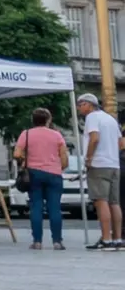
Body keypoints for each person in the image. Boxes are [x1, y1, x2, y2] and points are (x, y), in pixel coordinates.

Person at [14, 107, 67, 250]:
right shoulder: (57, 135)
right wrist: (58, 167)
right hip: (54, 174)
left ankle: (37, 241)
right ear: (48, 120)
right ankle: (57, 241)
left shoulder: (26, 134)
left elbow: (17, 154)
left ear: (33, 120)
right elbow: (64, 157)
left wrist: (25, 161)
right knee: (54, 208)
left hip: (34, 174)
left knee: (36, 206)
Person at [77, 93, 121, 250]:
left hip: (99, 164)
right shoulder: (110, 119)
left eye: (81, 104)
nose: (79, 107)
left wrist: (88, 159)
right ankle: (117, 238)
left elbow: (94, 138)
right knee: (114, 202)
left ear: (89, 104)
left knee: (100, 201)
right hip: (114, 164)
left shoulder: (92, 118)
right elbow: (120, 142)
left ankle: (106, 239)